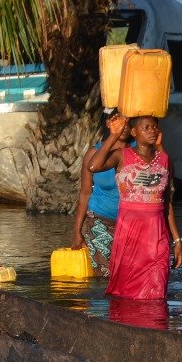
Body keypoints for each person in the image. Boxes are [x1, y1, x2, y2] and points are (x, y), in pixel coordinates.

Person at [89, 114, 181, 300]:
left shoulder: (164, 160)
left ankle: (155, 326)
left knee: (157, 288)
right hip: (130, 235)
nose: (152, 131)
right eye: (146, 128)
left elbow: (167, 202)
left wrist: (177, 241)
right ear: (133, 132)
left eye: (154, 127)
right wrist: (113, 135)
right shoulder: (122, 156)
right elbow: (94, 166)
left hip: (157, 235)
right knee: (127, 291)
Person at [71, 109, 125, 275]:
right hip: (99, 220)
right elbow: (85, 193)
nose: (124, 126)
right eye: (118, 121)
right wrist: (77, 231)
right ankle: (103, 302)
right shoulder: (94, 154)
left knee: (128, 273)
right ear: (109, 123)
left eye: (128, 122)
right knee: (104, 273)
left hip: (130, 222)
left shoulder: (138, 153)